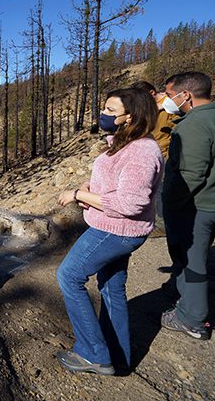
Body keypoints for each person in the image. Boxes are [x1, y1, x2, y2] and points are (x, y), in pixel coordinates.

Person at [55, 88, 163, 375]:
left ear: (131, 116)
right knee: (112, 287)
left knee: (68, 276)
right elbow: (118, 185)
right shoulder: (124, 143)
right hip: (115, 227)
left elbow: (131, 202)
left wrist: (79, 194)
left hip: (115, 230)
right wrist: (90, 190)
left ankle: (93, 353)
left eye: (110, 110)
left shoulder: (141, 151)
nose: (103, 114)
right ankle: (118, 356)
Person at [159, 72, 215, 340]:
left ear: (186, 95)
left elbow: (189, 175)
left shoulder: (193, 125)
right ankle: (182, 290)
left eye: (169, 93)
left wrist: (169, 204)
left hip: (199, 206)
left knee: (193, 259)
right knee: (194, 254)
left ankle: (191, 318)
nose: (166, 99)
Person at [132, 80, 178, 238]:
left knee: (160, 190)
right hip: (152, 152)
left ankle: (162, 225)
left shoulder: (170, 106)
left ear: (152, 94)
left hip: (165, 153)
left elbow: (175, 130)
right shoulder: (152, 107)